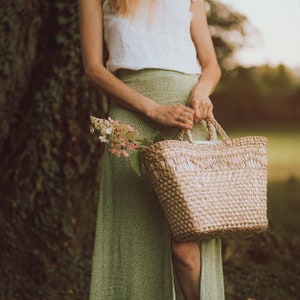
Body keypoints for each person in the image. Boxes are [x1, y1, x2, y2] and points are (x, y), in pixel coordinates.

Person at [78, 0, 224, 299]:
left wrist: (201, 91)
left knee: (187, 242)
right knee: (136, 234)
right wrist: (153, 110)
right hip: (133, 117)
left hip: (186, 117)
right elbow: (93, 69)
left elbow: (211, 65)